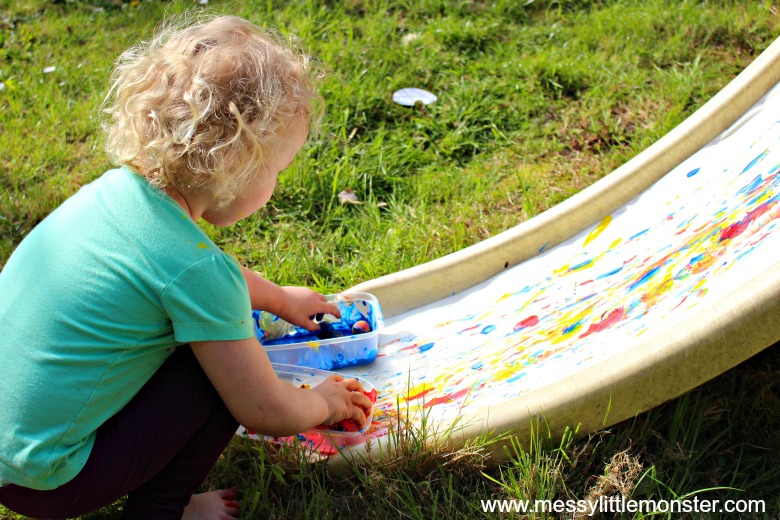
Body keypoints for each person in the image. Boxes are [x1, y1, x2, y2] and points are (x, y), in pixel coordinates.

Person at [0, 14, 372, 520]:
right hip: (46, 480)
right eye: (277, 171)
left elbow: (196, 279)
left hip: (10, 447)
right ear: (237, 164)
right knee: (221, 371)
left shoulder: (111, 196)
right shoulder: (198, 274)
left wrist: (280, 299)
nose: (277, 188)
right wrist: (326, 403)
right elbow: (262, 408)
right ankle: (161, 511)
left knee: (215, 330)